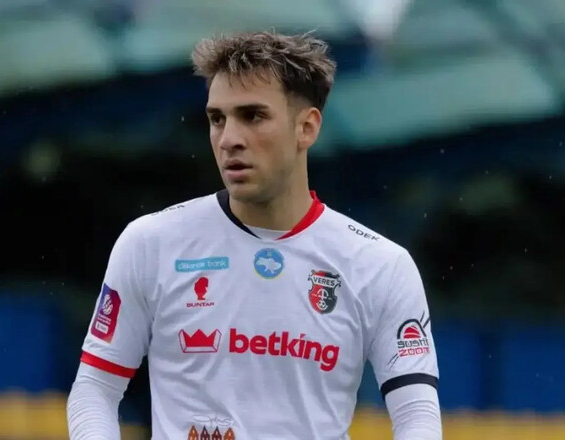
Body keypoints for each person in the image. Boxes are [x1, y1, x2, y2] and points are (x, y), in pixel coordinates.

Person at [67, 31, 442, 440]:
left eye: (253, 116)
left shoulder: (380, 264)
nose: (229, 139)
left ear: (306, 128)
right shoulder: (150, 243)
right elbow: (95, 388)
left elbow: (416, 415)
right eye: (217, 119)